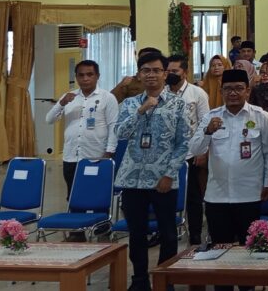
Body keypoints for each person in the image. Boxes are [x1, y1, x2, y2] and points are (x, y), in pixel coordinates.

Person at [189, 68, 268, 291]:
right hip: (217, 196)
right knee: (220, 249)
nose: (233, 93)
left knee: (249, 251)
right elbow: (194, 149)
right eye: (228, 89)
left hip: (250, 194)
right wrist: (207, 131)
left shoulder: (261, 116)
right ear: (221, 91)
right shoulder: (211, 116)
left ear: (248, 90)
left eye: (238, 88)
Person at [114, 52, 190, 291]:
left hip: (162, 180)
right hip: (132, 179)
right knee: (137, 234)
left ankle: (163, 279)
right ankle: (139, 280)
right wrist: (141, 111)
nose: (151, 75)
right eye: (146, 70)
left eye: (156, 70)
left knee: (168, 233)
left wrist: (169, 174)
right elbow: (120, 133)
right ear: (139, 74)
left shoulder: (178, 104)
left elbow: (183, 143)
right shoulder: (130, 103)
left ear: (165, 74)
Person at [45, 60, 118, 242]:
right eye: (81, 75)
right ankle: (77, 231)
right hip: (71, 156)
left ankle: (102, 229)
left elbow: (114, 126)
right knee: (73, 194)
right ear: (76, 77)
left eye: (89, 74)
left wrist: (109, 153)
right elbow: (49, 119)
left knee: (98, 195)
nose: (85, 79)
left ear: (97, 76)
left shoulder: (107, 98)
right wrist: (61, 103)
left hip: (96, 156)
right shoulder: (69, 97)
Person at [165, 54, 211, 246]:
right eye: (167, 71)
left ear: (184, 72)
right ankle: (166, 231)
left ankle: (194, 233)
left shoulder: (196, 93)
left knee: (193, 197)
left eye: (174, 71)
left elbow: (205, 122)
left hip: (191, 153)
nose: (170, 75)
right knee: (167, 196)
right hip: (166, 154)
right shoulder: (162, 92)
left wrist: (203, 151)